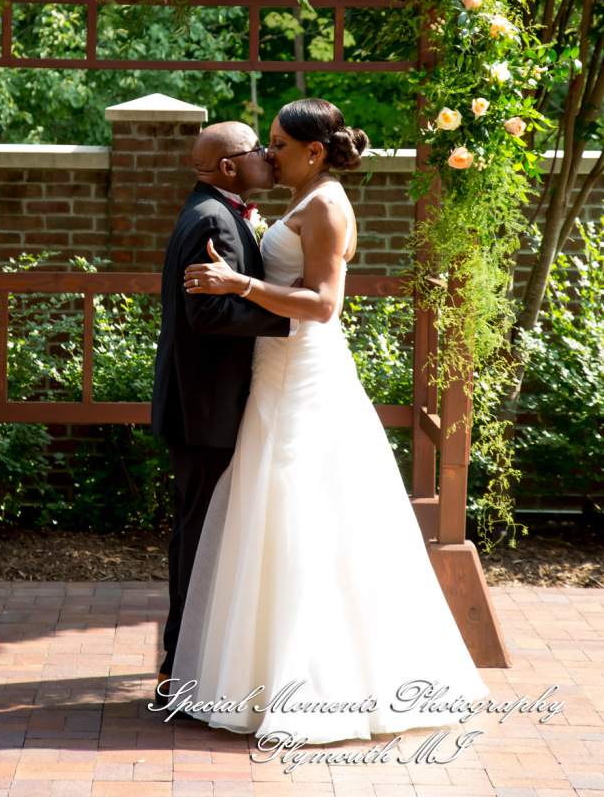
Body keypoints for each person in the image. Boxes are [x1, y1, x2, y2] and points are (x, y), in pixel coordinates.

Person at [160, 98, 488, 743]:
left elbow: (324, 304)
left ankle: (313, 683)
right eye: (266, 144)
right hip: (273, 372)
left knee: (302, 510)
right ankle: (251, 673)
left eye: (278, 143)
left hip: (303, 370)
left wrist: (239, 285)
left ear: (314, 151)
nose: (268, 153)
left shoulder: (329, 206)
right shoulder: (302, 199)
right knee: (268, 512)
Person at [151, 121, 291, 687]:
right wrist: (292, 316)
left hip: (201, 405)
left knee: (202, 535)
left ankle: (193, 666)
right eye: (260, 149)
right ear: (229, 166)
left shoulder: (216, 209)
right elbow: (205, 315)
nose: (268, 156)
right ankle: (179, 673)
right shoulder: (213, 217)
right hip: (206, 411)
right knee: (199, 540)